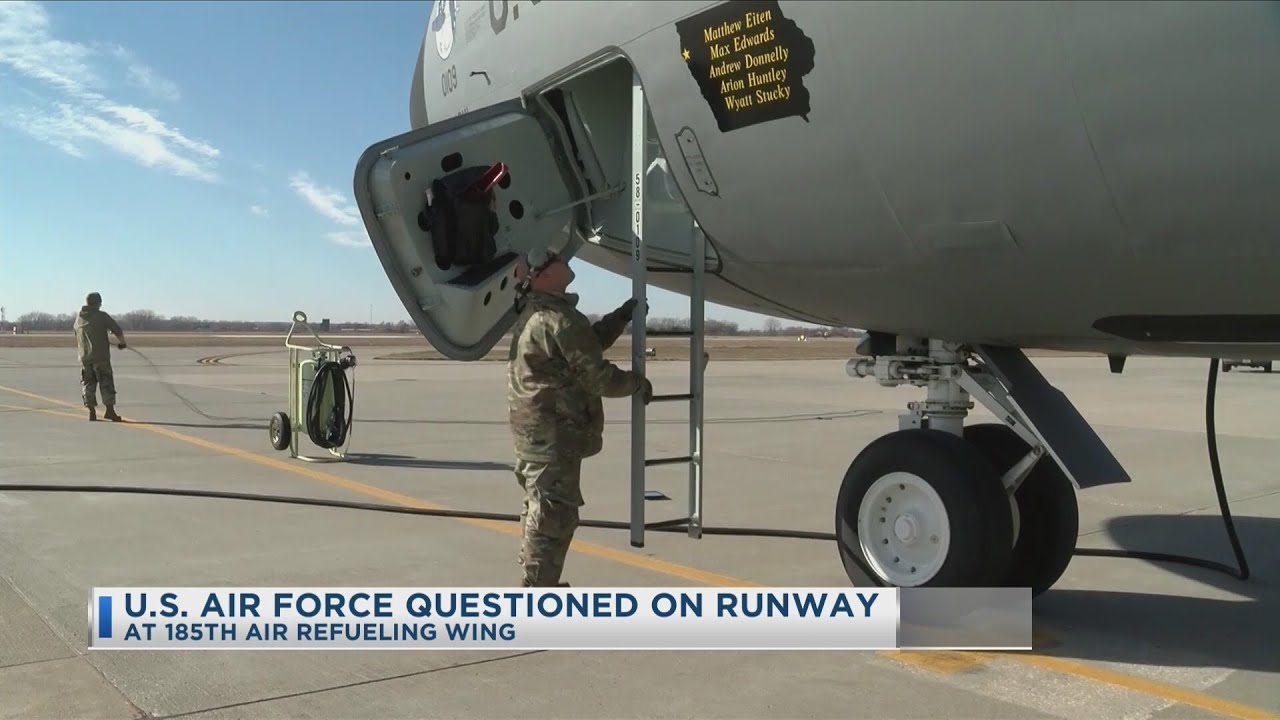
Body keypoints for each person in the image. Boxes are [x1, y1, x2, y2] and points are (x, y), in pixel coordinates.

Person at [507, 247, 653, 587]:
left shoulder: (540, 313)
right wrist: (636, 384)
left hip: (540, 431)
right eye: (555, 259)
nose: (563, 259)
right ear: (542, 276)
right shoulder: (557, 318)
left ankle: (536, 582)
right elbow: (597, 377)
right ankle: (538, 592)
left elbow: (584, 345)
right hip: (553, 432)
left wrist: (620, 317)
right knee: (553, 515)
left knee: (541, 509)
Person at [73, 292, 126, 421]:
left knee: (88, 384)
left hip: (85, 357)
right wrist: (122, 343)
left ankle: (91, 412)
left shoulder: (79, 318)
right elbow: (117, 329)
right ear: (97, 303)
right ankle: (110, 411)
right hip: (100, 357)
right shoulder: (101, 316)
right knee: (106, 382)